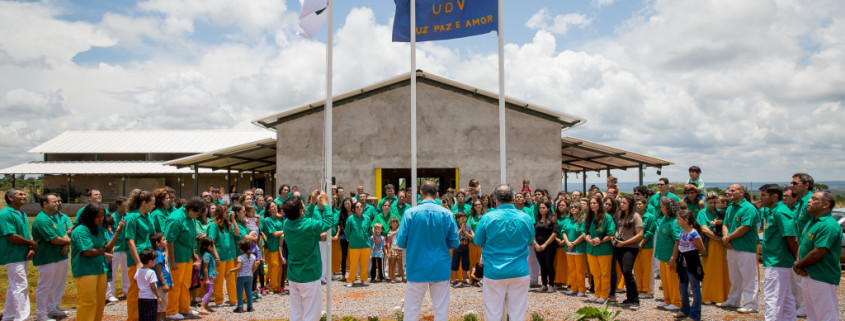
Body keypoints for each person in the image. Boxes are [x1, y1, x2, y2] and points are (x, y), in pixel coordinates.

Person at [396, 181, 460, 321]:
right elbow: (455, 242)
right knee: (441, 310)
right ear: (437, 194)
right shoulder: (447, 214)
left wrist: (414, 242)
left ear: (420, 194)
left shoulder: (410, 213)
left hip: (416, 266)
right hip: (440, 266)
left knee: (411, 310)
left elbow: (400, 242)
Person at [474, 184, 534, 321]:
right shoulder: (525, 217)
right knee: (518, 314)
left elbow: (478, 241)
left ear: (495, 199)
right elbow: (530, 240)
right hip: (519, 270)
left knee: (493, 313)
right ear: (513, 198)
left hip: (494, 271)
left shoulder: (488, 218)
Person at [283, 190, 333, 321]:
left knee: (296, 312)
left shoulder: (287, 224)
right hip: (309, 275)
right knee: (312, 314)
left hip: (294, 275)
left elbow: (304, 219)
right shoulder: (309, 226)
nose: (305, 205)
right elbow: (328, 222)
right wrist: (326, 203)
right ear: (300, 211)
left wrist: (311, 204)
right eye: (302, 204)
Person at [71, 203, 125, 321]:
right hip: (85, 271)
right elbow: (88, 252)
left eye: (102, 216)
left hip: (100, 268)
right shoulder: (81, 230)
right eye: (98, 216)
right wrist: (102, 251)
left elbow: (109, 247)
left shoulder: (100, 228)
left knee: (100, 303)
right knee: (88, 302)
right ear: (90, 216)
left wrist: (118, 231)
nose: (101, 219)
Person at [793, 192, 842, 320]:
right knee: (812, 314)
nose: (809, 201)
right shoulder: (812, 222)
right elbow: (803, 245)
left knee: (826, 315)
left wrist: (799, 264)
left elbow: (819, 251)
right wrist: (798, 264)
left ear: (826, 204)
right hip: (808, 274)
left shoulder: (828, 225)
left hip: (822, 276)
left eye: (814, 199)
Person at [757, 184, 799, 321]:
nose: (760, 198)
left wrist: (797, 258)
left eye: (763, 195)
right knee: (785, 298)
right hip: (776, 260)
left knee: (772, 297)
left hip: (779, 260)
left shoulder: (780, 212)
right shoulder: (773, 211)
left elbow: (790, 237)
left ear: (774, 196)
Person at [717, 184, 760, 313]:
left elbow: (745, 227)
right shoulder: (730, 207)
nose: (729, 192)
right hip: (732, 247)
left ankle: (751, 303)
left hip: (745, 247)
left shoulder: (748, 208)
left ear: (742, 192)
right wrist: (726, 238)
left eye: (733, 190)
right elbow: (725, 223)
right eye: (729, 190)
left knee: (748, 277)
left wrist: (728, 238)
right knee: (734, 276)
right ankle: (733, 300)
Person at [163, 197, 205, 319]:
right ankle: (171, 311)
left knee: (185, 284)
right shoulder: (176, 219)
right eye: (197, 213)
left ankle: (184, 307)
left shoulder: (191, 218)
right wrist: (172, 261)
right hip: (177, 258)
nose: (197, 216)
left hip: (187, 257)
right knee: (175, 284)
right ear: (191, 209)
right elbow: (169, 241)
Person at [31, 194, 70, 321]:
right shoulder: (42, 219)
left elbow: (64, 233)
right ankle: (41, 314)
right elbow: (53, 239)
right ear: (44, 204)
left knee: (55, 284)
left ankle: (51, 308)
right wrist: (67, 242)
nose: (57, 203)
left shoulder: (55, 217)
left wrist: (65, 242)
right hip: (46, 258)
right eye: (54, 202)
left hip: (57, 257)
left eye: (58, 201)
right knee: (44, 286)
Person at [1, 188, 36, 321]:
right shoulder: (5, 214)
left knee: (13, 286)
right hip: (12, 254)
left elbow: (26, 232)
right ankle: (22, 317)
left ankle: (9, 316)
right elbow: (11, 236)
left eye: (24, 194)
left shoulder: (22, 213)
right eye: (20, 194)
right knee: (20, 285)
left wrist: (31, 246)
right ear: (10, 198)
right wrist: (32, 243)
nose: (24, 196)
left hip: (22, 253)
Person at [123, 189, 157, 321]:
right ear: (144, 203)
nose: (153, 206)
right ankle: (133, 317)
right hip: (138, 258)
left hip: (148, 256)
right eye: (152, 203)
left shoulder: (148, 216)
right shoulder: (132, 217)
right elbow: (130, 241)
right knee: (135, 288)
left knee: (146, 288)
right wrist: (138, 261)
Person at [696, 192, 730, 305]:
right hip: (710, 243)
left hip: (723, 243)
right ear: (706, 202)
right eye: (710, 202)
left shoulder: (722, 212)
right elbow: (704, 229)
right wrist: (717, 238)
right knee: (709, 270)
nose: (713, 205)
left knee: (724, 269)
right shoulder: (702, 212)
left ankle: (724, 296)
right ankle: (709, 295)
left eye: (715, 202)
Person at [583, 195, 615, 304]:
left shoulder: (607, 218)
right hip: (591, 249)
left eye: (594, 203)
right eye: (591, 203)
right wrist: (587, 238)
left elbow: (611, 233)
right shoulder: (589, 217)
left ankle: (604, 294)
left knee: (604, 273)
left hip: (604, 249)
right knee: (595, 273)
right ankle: (597, 293)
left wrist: (600, 240)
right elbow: (585, 231)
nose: (592, 205)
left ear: (599, 205)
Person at [674, 210, 705, 321]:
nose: (677, 221)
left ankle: (695, 314)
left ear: (686, 220)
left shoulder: (694, 233)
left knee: (695, 288)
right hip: (682, 263)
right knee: (682, 287)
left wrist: (692, 255)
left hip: (692, 263)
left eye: (679, 219)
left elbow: (701, 249)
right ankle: (685, 309)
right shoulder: (682, 232)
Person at [207, 203, 241, 306]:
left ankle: (233, 299)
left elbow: (237, 233)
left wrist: (234, 220)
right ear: (221, 213)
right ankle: (219, 300)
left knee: (231, 279)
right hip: (220, 257)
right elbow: (211, 242)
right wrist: (216, 257)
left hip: (230, 255)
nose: (228, 214)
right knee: (218, 280)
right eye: (226, 213)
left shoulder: (228, 224)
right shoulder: (213, 226)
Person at [613, 195, 643, 309]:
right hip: (620, 246)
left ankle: (635, 299)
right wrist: (616, 237)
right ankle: (629, 297)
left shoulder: (635, 216)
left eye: (624, 203)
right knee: (625, 272)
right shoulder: (621, 215)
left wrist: (624, 243)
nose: (622, 205)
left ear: (630, 204)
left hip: (630, 247)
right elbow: (618, 229)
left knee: (627, 271)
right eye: (621, 203)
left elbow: (640, 234)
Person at [655, 197, 682, 311]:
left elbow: (677, 240)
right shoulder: (665, 219)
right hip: (662, 255)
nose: (661, 209)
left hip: (670, 256)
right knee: (665, 280)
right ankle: (668, 299)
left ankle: (676, 301)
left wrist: (673, 257)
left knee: (673, 280)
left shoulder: (674, 221)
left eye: (662, 207)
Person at [561, 202, 587, 297]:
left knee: (579, 270)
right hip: (569, 248)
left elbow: (583, 234)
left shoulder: (583, 220)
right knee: (572, 270)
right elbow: (564, 232)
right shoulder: (568, 220)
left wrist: (574, 243)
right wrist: (568, 243)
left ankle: (581, 289)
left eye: (576, 207)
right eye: (571, 207)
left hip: (579, 248)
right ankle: (573, 287)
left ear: (580, 209)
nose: (573, 208)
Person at [227, 238, 259, 313]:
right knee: (249, 292)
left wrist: (231, 270)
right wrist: (251, 272)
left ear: (241, 249)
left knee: (239, 292)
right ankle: (250, 306)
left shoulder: (240, 257)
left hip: (241, 276)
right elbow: (255, 266)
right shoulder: (253, 257)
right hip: (249, 276)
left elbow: (239, 268)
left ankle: (240, 306)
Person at [344, 201, 372, 286]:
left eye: (361, 206)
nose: (360, 208)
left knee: (364, 264)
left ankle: (364, 279)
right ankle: (350, 280)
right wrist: (349, 239)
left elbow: (369, 231)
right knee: (353, 264)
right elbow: (347, 231)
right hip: (354, 245)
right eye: (357, 207)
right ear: (354, 209)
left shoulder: (367, 218)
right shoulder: (350, 219)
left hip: (365, 245)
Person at [261, 198, 285, 293]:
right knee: (274, 265)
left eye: (275, 206)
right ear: (268, 210)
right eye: (272, 207)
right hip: (273, 245)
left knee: (281, 266)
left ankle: (279, 285)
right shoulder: (267, 220)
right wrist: (285, 231)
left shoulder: (279, 219)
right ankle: (272, 286)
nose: (275, 207)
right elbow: (274, 233)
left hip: (282, 245)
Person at [533, 201, 557, 292]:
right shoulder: (537, 219)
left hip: (549, 246)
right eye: (540, 208)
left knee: (549, 264)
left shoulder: (553, 219)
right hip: (538, 245)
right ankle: (544, 284)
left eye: (543, 208)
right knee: (542, 265)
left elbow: (554, 233)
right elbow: (533, 233)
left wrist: (545, 244)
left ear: (548, 209)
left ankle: (551, 284)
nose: (542, 209)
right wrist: (536, 244)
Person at [112, 197, 131, 300]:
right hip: (116, 247)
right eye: (124, 205)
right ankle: (110, 294)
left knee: (126, 271)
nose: (126, 207)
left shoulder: (128, 217)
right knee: (113, 271)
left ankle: (127, 291)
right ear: (118, 205)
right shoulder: (113, 217)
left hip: (126, 248)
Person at [135, 248, 161, 321]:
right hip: (150, 298)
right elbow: (152, 286)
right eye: (155, 260)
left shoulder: (139, 270)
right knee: (151, 316)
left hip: (141, 297)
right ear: (150, 261)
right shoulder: (151, 272)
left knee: (142, 316)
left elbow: (135, 279)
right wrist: (158, 296)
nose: (155, 262)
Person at [150, 233, 172, 321]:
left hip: (165, 282)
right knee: (160, 307)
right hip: (160, 284)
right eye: (163, 240)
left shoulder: (162, 253)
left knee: (163, 305)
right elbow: (158, 271)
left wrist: (170, 282)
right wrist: (164, 284)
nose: (165, 241)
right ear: (157, 243)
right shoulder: (158, 255)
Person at [451, 213, 474, 286]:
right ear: (458, 219)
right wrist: (461, 230)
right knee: (455, 264)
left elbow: (472, 237)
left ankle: (464, 280)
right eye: (462, 219)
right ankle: (454, 280)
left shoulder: (468, 227)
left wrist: (465, 232)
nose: (464, 220)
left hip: (465, 247)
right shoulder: (455, 227)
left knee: (465, 264)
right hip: (457, 248)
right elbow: (454, 236)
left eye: (465, 219)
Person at [333, 198, 353, 281]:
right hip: (344, 236)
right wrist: (346, 234)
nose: (347, 205)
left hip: (354, 237)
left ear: (351, 204)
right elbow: (340, 225)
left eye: (348, 204)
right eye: (345, 204)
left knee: (353, 256)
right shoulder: (342, 213)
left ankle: (352, 274)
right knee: (344, 255)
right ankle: (343, 275)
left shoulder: (354, 212)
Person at [197, 236, 217, 314]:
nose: (212, 247)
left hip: (209, 275)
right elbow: (205, 267)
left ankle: (206, 306)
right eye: (211, 245)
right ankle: (202, 306)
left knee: (209, 290)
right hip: (208, 276)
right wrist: (207, 279)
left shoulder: (208, 254)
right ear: (206, 246)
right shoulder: (206, 256)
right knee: (209, 291)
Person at [386, 217, 405, 282]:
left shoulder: (399, 230)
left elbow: (399, 230)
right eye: (393, 222)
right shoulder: (389, 232)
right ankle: (391, 277)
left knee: (400, 264)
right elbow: (388, 242)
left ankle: (403, 277)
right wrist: (388, 251)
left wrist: (393, 234)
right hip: (393, 249)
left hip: (399, 249)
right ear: (390, 224)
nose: (395, 224)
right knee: (392, 264)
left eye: (396, 222)